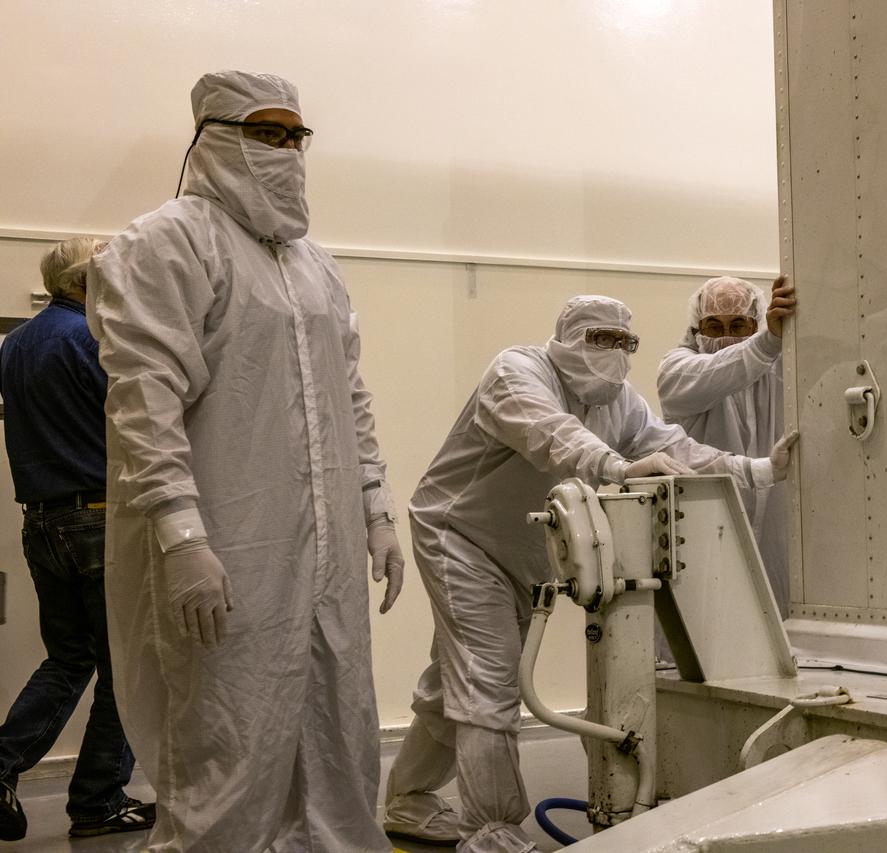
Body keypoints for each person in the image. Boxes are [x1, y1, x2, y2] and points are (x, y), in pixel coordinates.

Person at [86, 70, 404, 851]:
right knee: (229, 744)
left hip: (326, 557)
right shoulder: (166, 241)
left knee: (339, 736)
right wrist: (180, 533)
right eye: (267, 133)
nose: (286, 150)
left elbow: (349, 395)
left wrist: (376, 504)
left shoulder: (315, 266)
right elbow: (144, 398)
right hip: (232, 547)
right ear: (216, 138)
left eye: (297, 136)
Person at [383, 295, 799, 852]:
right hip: (458, 537)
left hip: (525, 550)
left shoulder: (618, 401)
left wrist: (759, 469)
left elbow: (674, 447)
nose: (614, 353)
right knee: (488, 676)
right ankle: (491, 830)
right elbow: (552, 435)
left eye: (625, 342)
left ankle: (407, 798)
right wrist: (620, 467)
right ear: (567, 337)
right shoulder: (517, 371)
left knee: (453, 678)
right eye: (599, 339)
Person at [0, 238, 155, 842]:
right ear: (84, 283)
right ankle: (97, 800)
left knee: (67, 659)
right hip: (99, 520)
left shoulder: (16, 344)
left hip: (41, 522)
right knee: (123, 671)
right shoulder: (94, 341)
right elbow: (138, 420)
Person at [657, 275, 796, 607]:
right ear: (695, 327)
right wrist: (767, 340)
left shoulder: (781, 368)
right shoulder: (677, 370)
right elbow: (719, 371)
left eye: (738, 325)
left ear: (754, 323)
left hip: (776, 536)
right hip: (704, 534)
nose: (727, 337)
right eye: (714, 327)